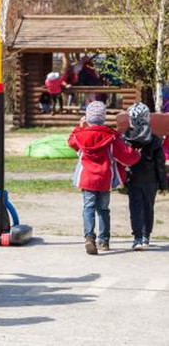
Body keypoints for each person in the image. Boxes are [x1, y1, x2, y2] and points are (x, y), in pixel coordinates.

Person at [68, 101, 140, 255]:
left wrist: (80, 126)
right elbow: (126, 156)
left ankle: (89, 237)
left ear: (87, 118)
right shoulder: (111, 137)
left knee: (88, 208)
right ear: (103, 118)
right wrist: (137, 154)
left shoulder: (80, 136)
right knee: (103, 209)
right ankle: (103, 241)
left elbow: (71, 142)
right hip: (104, 178)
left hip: (87, 178)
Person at [123, 103, 167, 250]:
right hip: (151, 180)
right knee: (148, 207)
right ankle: (146, 236)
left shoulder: (126, 138)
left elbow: (121, 159)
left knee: (135, 207)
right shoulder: (155, 139)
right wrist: (163, 184)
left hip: (133, 178)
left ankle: (137, 238)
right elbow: (160, 164)